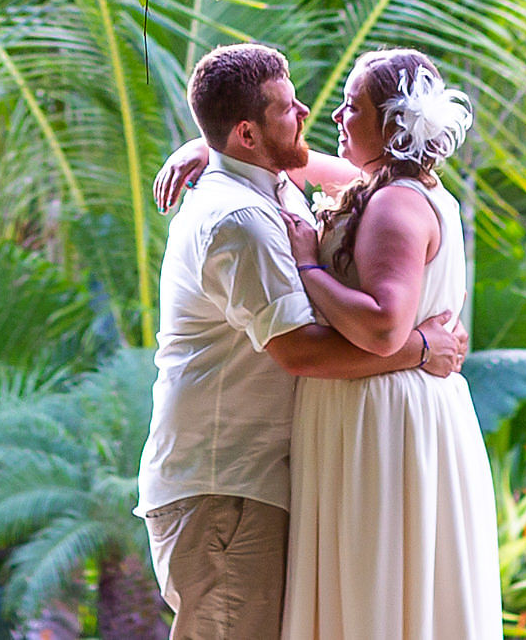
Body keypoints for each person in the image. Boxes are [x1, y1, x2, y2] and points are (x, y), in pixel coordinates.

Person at [140, 44, 469, 640]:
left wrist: (212, 148)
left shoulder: (281, 188)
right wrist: (422, 350)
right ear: (248, 133)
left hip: (265, 478)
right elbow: (302, 352)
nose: (312, 114)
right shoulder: (239, 218)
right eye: (289, 108)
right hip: (224, 487)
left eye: (346, 105)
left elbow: (353, 173)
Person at [275, 50, 502, 640]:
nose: (337, 118)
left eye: (351, 108)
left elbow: (382, 327)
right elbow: (318, 169)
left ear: (392, 126)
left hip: (381, 424)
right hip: (391, 409)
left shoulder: (396, 203)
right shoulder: (396, 186)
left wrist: (307, 265)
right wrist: (212, 149)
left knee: (374, 591)